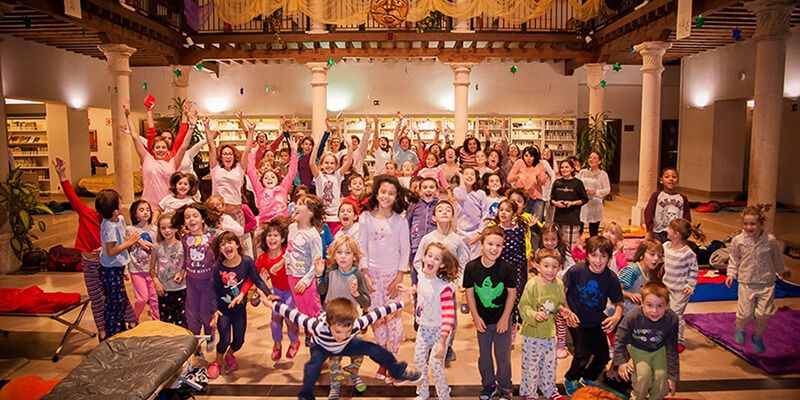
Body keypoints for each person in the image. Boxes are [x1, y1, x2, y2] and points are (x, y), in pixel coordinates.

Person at [267, 293, 423, 400]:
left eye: (347, 331)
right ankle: (305, 395)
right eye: (338, 331)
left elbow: (378, 312)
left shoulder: (354, 325)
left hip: (346, 346)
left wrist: (403, 303)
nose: (342, 334)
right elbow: (291, 313)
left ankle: (398, 371)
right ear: (328, 324)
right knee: (312, 367)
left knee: (374, 349)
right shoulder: (316, 325)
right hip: (321, 347)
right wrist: (271, 304)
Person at [358, 174, 410, 383]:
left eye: (391, 193)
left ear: (396, 196)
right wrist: (365, 275)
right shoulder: (365, 218)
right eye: (383, 192)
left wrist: (398, 278)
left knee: (394, 319)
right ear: (376, 193)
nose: (386, 196)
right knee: (377, 320)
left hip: (393, 277)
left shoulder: (400, 221)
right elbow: (361, 247)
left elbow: (405, 250)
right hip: (372, 277)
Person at [562, 236, 624, 395]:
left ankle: (588, 377)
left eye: (603, 256)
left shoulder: (611, 278)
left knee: (603, 356)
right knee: (583, 353)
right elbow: (561, 291)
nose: (598, 260)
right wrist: (567, 310)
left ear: (609, 258)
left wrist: (616, 316)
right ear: (587, 255)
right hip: (576, 320)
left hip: (596, 320)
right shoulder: (576, 271)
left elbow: (619, 302)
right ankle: (571, 378)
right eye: (594, 255)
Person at [725, 204, 790, 353]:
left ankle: (758, 336)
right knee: (745, 313)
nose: (749, 227)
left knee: (764, 314)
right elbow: (734, 258)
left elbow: (776, 258)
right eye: (746, 224)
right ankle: (740, 329)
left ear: (761, 224)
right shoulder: (738, 240)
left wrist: (782, 270)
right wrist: (731, 274)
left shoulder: (770, 240)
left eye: (753, 224)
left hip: (766, 282)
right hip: (746, 282)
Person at [207, 232, 272, 379]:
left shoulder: (247, 261)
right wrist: (214, 309)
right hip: (223, 311)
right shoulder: (218, 267)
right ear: (220, 249)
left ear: (237, 244)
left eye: (230, 242)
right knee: (224, 338)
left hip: (240, 310)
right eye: (222, 244)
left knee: (239, 341)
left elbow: (257, 280)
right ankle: (217, 362)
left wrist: (268, 295)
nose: (227, 246)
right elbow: (214, 290)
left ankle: (230, 354)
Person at [463, 226, 517, 400]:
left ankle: (506, 386)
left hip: (502, 320)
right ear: (482, 244)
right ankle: (488, 385)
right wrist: (475, 317)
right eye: (490, 244)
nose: (494, 249)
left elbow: (512, 294)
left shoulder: (507, 268)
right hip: (482, 321)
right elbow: (469, 292)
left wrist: (505, 318)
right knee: (485, 355)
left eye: (499, 245)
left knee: (503, 356)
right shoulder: (471, 267)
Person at [315, 236, 372, 398]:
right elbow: (321, 291)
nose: (342, 256)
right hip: (331, 320)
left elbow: (367, 301)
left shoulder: (358, 276)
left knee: (359, 350)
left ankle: (353, 371)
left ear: (355, 256)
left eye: (347, 253)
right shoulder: (331, 270)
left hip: (350, 321)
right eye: (339, 252)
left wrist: (356, 293)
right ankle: (335, 385)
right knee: (334, 355)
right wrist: (320, 275)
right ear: (334, 255)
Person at [518, 249, 579, 400]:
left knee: (550, 364)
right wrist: (534, 314)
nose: (550, 270)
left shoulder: (558, 284)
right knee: (531, 366)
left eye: (554, 267)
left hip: (549, 333)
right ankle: (529, 393)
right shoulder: (532, 285)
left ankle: (549, 390)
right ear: (536, 265)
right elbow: (523, 306)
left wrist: (564, 311)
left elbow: (557, 304)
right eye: (546, 266)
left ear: (559, 267)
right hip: (531, 333)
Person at [124, 103, 190, 221]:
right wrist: (128, 115)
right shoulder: (146, 158)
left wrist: (191, 125)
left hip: (168, 205)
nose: (161, 150)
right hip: (148, 206)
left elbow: (184, 146)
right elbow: (135, 137)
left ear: (167, 149)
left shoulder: (173, 162)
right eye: (158, 147)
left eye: (163, 147)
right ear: (153, 149)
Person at [614, 281, 680, 400]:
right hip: (637, 348)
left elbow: (672, 348)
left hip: (658, 349)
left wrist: (673, 376)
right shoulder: (633, 316)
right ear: (642, 304)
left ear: (667, 305)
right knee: (643, 376)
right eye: (649, 305)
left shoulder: (672, 319)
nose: (654, 311)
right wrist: (621, 362)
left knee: (661, 377)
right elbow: (620, 339)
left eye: (660, 306)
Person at [413, 242, 458, 400]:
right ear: (424, 257)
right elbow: (423, 291)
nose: (431, 260)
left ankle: (444, 394)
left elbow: (448, 316)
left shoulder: (444, 287)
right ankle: (423, 391)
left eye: (437, 258)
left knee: (436, 365)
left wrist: (442, 341)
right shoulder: (421, 275)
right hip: (424, 328)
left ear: (442, 264)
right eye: (429, 255)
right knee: (418, 362)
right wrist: (411, 290)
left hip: (440, 331)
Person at [172, 203, 218, 354]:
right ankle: (196, 344)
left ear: (203, 218)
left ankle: (210, 336)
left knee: (206, 314)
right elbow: (186, 259)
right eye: (187, 217)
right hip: (192, 283)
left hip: (209, 283)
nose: (191, 219)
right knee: (192, 316)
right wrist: (182, 272)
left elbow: (219, 259)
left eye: (195, 216)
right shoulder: (185, 239)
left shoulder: (213, 237)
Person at [253, 217, 301, 361]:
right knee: (275, 317)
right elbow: (254, 276)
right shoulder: (263, 258)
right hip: (277, 292)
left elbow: (296, 250)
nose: (272, 238)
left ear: (282, 239)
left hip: (291, 292)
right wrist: (254, 291)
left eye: (276, 235)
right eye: (269, 235)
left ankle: (294, 342)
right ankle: (277, 345)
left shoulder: (288, 252)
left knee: (288, 317)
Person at [96, 189, 140, 337]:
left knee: (120, 300)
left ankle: (119, 328)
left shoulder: (119, 219)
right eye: (120, 201)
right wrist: (129, 243)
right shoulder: (110, 227)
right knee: (114, 303)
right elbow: (110, 251)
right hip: (110, 269)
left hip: (118, 267)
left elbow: (124, 236)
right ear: (115, 210)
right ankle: (112, 332)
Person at [204, 112, 254, 226]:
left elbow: (247, 150)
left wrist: (251, 132)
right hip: (217, 213)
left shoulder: (239, 168)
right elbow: (211, 146)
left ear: (234, 155)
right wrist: (206, 127)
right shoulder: (215, 168)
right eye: (225, 154)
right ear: (220, 157)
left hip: (236, 211)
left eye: (230, 154)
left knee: (237, 241)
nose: (228, 156)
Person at [662, 218, 702, 353]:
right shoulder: (666, 246)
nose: (667, 230)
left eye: (669, 228)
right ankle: (666, 335)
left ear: (676, 234)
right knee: (665, 312)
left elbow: (694, 270)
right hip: (666, 286)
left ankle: (678, 339)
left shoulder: (687, 253)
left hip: (680, 290)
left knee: (676, 314)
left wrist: (690, 285)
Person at [534, 223, 573, 359]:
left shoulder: (564, 253)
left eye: (553, 239)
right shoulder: (539, 253)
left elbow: (570, 269)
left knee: (560, 317)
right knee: (544, 315)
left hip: (559, 290)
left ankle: (561, 343)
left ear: (558, 239)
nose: (549, 243)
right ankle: (544, 340)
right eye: (546, 239)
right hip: (543, 291)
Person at [310, 118, 354, 236]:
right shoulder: (319, 176)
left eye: (332, 163)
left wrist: (349, 147)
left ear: (336, 165)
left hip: (335, 216)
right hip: (322, 216)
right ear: (322, 164)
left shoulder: (338, 175)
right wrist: (316, 146)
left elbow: (349, 162)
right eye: (326, 163)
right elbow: (311, 163)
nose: (329, 165)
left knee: (336, 241)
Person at [286, 195, 326, 324]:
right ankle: (310, 333)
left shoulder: (313, 235)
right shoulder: (292, 228)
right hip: (292, 276)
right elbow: (289, 250)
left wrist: (305, 281)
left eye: (301, 204)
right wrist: (281, 263)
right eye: (296, 203)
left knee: (313, 310)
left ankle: (319, 334)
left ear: (310, 212)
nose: (296, 206)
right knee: (302, 311)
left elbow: (317, 262)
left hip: (306, 279)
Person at [247, 129, 297, 225]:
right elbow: (250, 171)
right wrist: (252, 153)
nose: (269, 179)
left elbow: (292, 171)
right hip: (265, 224)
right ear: (262, 181)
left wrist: (294, 151)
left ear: (278, 180)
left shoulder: (282, 188)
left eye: (272, 177)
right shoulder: (259, 189)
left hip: (282, 222)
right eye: (266, 178)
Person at [149, 213, 187, 328]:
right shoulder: (157, 247)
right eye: (163, 228)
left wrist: (182, 272)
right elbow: (151, 269)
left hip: (181, 289)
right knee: (166, 324)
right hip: (164, 291)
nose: (167, 230)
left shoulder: (183, 246)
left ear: (176, 228)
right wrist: (156, 282)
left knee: (183, 322)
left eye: (170, 227)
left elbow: (187, 266)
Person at [126, 200, 159, 321]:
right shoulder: (130, 229)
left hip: (152, 270)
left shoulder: (155, 229)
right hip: (137, 270)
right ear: (135, 214)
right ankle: (133, 319)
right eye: (141, 210)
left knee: (155, 298)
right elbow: (125, 241)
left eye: (147, 210)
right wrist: (139, 241)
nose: (145, 212)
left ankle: (157, 321)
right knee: (142, 298)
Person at [407, 177, 440, 287]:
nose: (428, 190)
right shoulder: (414, 204)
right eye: (425, 187)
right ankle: (417, 301)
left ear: (436, 190)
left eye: (431, 187)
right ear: (420, 191)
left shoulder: (439, 205)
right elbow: (408, 222)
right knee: (416, 277)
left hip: (433, 246)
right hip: (416, 245)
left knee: (434, 275)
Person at [644, 168, 691, 243]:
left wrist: (685, 232)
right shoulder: (657, 195)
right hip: (658, 232)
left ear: (678, 181)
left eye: (674, 177)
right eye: (667, 177)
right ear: (661, 180)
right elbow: (648, 212)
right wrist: (649, 230)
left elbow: (686, 217)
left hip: (676, 234)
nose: (671, 179)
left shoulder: (683, 198)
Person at [551, 159, 589, 252]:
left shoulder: (578, 183)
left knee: (570, 248)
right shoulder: (557, 183)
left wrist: (572, 203)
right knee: (558, 245)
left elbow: (584, 199)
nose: (564, 169)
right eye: (562, 167)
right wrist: (556, 203)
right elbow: (551, 199)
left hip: (572, 219)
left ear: (572, 169)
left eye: (567, 167)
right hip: (558, 218)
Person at [619, 238, 664, 315]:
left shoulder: (650, 274)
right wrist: (630, 295)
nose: (656, 258)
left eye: (659, 256)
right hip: (621, 314)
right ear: (642, 255)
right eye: (652, 254)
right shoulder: (633, 271)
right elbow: (614, 290)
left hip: (633, 313)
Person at [507, 146, 549, 220]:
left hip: (536, 198)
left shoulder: (539, 164)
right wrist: (518, 176)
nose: (528, 158)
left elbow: (542, 182)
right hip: (522, 198)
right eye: (526, 156)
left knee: (536, 222)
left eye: (531, 156)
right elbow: (509, 179)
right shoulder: (519, 162)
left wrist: (538, 177)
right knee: (520, 220)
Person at [455, 167, 488, 259]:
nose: (469, 176)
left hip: (476, 231)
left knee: (475, 259)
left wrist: (479, 232)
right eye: (466, 174)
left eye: (472, 174)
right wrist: (461, 177)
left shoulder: (481, 193)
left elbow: (485, 213)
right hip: (461, 231)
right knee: (462, 260)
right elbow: (462, 197)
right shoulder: (457, 191)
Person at [578, 151, 610, 237]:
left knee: (593, 232)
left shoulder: (603, 174)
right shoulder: (583, 172)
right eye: (590, 157)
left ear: (599, 161)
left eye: (594, 158)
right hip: (583, 205)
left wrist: (596, 191)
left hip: (595, 205)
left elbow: (607, 189)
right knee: (578, 230)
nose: (591, 160)